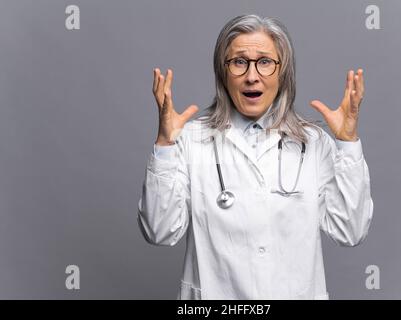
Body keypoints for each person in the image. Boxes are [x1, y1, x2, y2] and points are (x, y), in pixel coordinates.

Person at [137, 14, 373, 300]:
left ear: (282, 71)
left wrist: (347, 143)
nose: (252, 76)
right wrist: (164, 146)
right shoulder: (190, 140)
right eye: (239, 62)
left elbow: (350, 231)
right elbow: (159, 231)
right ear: (222, 72)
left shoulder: (312, 144)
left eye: (264, 62)